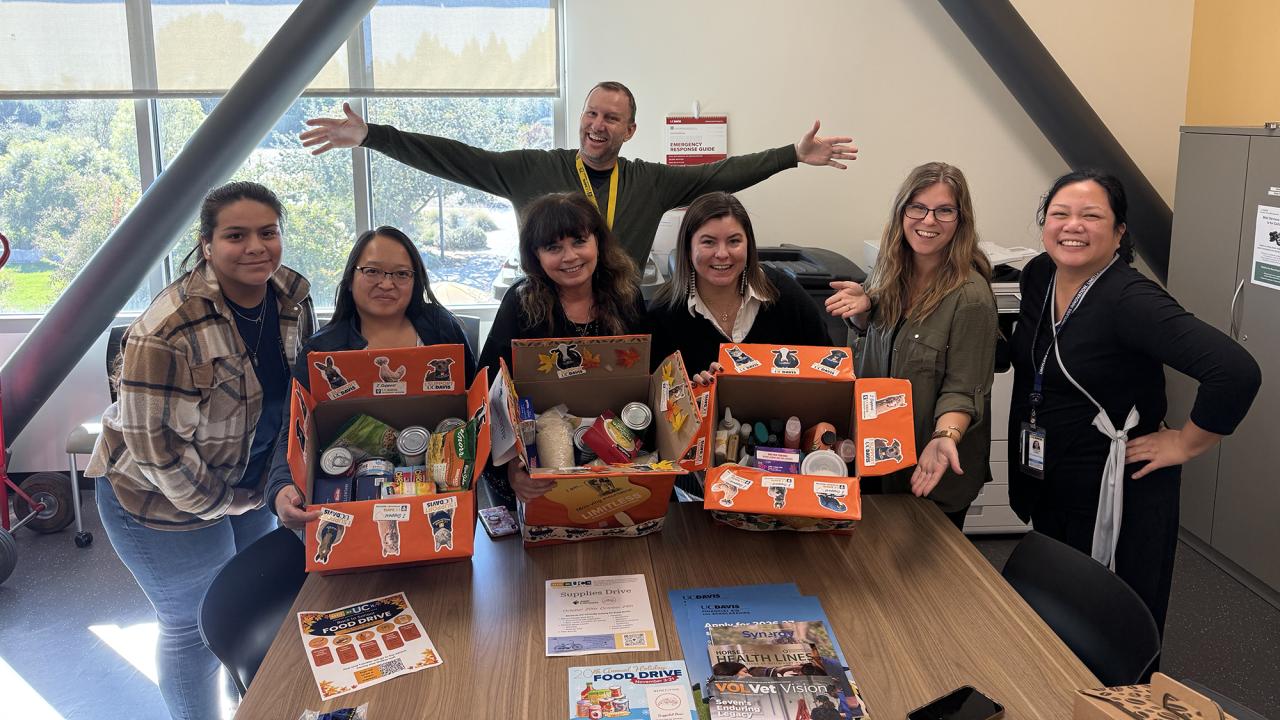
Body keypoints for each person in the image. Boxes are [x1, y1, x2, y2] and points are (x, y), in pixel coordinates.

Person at [86, 181, 314, 720]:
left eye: (268, 232)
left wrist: (270, 487)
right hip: (158, 501)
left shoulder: (290, 296)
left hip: (247, 484)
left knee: (246, 607)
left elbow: (300, 393)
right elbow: (156, 451)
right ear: (207, 244)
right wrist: (227, 502)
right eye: (236, 235)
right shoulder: (169, 328)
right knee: (193, 624)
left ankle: (251, 707)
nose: (256, 247)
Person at [1008, 169, 1260, 631]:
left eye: (1091, 216)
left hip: (1118, 487)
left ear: (1120, 231)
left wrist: (1184, 443)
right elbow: (1035, 353)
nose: (1072, 225)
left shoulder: (1130, 299)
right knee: (1055, 612)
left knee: (1110, 620)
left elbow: (1235, 372)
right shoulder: (1040, 275)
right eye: (1060, 213)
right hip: (1056, 476)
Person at [299, 81, 858, 267]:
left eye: (611, 118)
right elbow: (455, 157)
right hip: (544, 311)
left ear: (629, 130)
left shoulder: (651, 181)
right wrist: (374, 136)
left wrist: (791, 153)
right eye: (591, 113)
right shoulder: (532, 169)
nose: (597, 125)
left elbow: (724, 171)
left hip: (620, 316)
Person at [266, 225, 477, 529]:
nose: (387, 284)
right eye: (373, 271)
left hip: (442, 496)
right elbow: (293, 429)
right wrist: (281, 489)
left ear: (416, 281)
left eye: (401, 274)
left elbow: (475, 403)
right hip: (355, 507)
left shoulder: (440, 327)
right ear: (351, 278)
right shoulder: (323, 349)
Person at [826, 162, 997, 529]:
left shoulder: (971, 297)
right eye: (917, 207)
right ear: (902, 211)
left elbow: (964, 390)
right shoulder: (888, 273)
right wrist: (861, 317)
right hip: (878, 459)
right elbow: (876, 353)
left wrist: (944, 437)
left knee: (924, 583)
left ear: (961, 219)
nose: (929, 220)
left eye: (944, 210)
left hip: (929, 468)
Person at [479, 192, 647, 500]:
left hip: (616, 452)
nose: (569, 257)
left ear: (598, 242)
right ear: (536, 255)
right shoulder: (520, 303)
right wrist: (510, 468)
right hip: (539, 455)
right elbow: (489, 392)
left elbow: (649, 379)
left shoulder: (627, 297)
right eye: (553, 247)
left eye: (579, 241)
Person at [649, 191, 831, 378]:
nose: (722, 253)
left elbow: (829, 366)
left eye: (734, 241)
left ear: (748, 245)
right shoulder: (663, 313)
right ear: (688, 248)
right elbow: (656, 396)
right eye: (708, 242)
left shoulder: (784, 294)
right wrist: (694, 394)